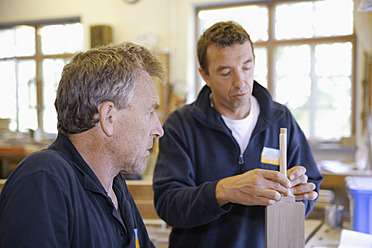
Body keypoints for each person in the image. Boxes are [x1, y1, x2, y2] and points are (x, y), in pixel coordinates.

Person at [153, 21, 323, 248]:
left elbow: (311, 185)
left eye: (247, 66)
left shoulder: (281, 119)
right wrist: (224, 191)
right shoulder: (180, 125)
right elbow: (168, 205)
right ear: (205, 74)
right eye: (225, 72)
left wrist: (296, 196)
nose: (240, 81)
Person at [0, 42, 166, 248]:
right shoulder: (43, 178)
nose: (159, 130)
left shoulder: (115, 185)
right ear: (108, 117)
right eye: (150, 112)